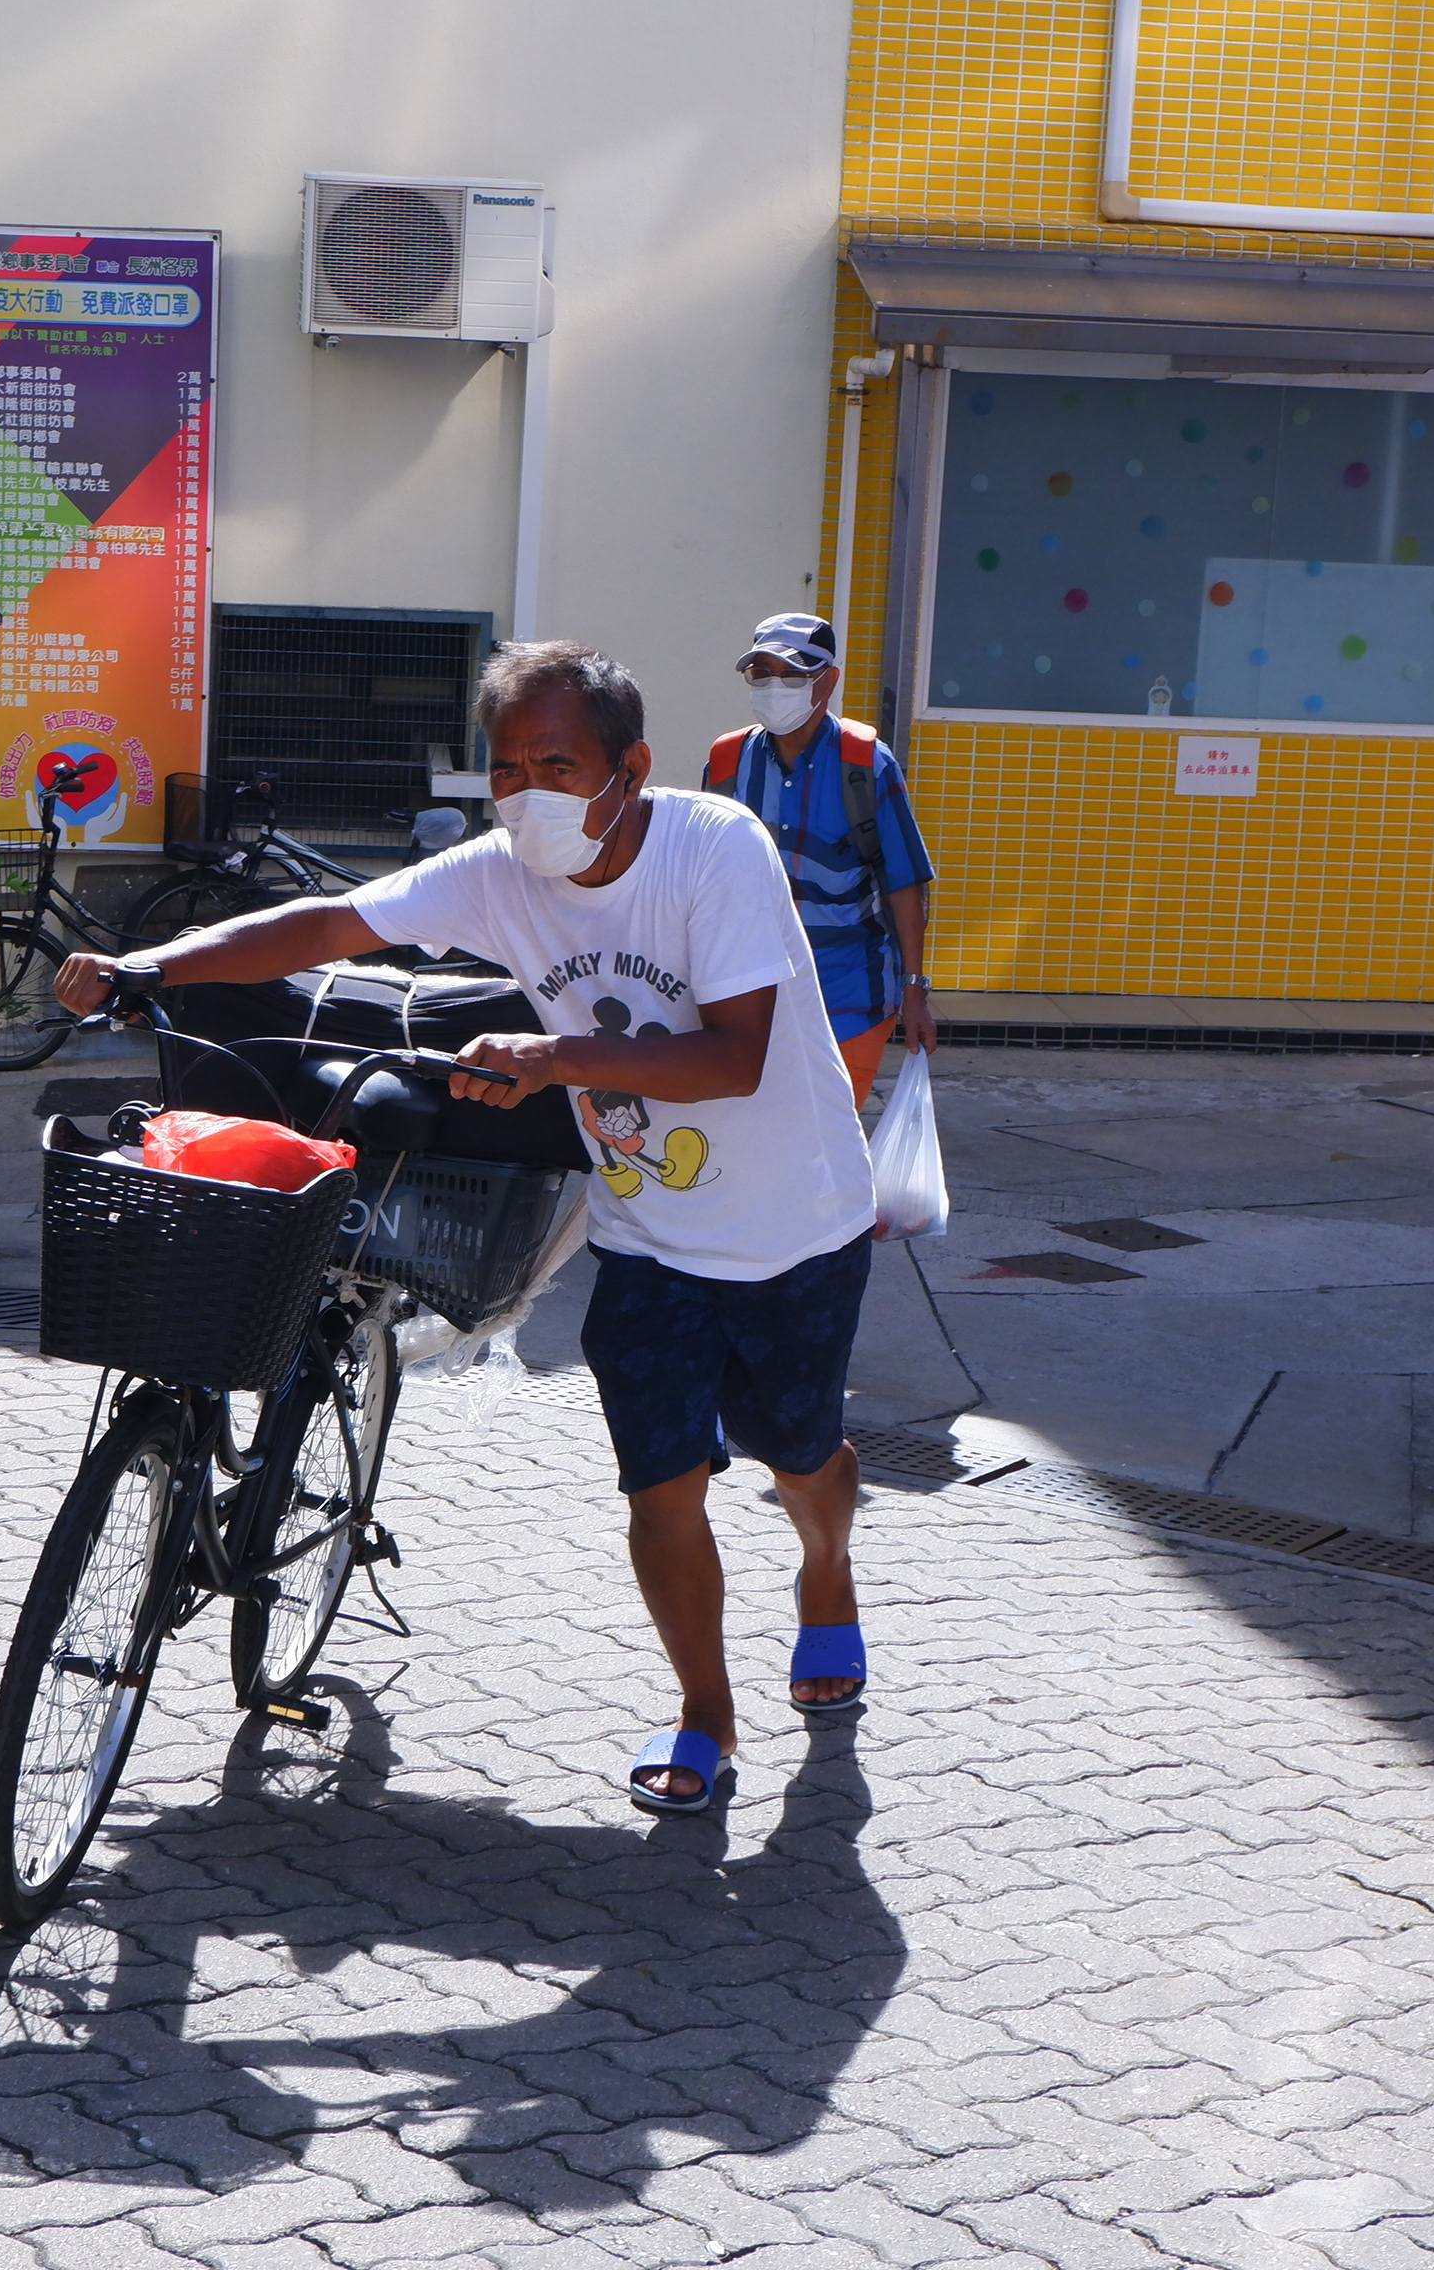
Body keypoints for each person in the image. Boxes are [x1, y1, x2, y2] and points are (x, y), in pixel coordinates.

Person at [53, 640, 879, 1815]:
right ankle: (706, 1712)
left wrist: (555, 1058)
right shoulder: (497, 874)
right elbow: (332, 923)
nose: (527, 790)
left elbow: (736, 1054)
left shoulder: (714, 850)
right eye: (506, 767)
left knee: (802, 1458)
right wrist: (151, 963)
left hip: (798, 1219)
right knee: (662, 1488)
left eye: (557, 760)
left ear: (630, 766)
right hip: (647, 1233)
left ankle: (827, 1569)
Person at [702, 612, 937, 1109]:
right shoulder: (726, 762)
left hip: (849, 996)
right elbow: (703, 877)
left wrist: (914, 991)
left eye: (791, 674)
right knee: (750, 1144)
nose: (773, 686)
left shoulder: (866, 763)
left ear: (828, 680)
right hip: (748, 997)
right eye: (760, 674)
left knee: (829, 1146)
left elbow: (904, 882)